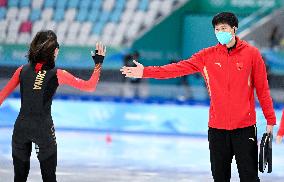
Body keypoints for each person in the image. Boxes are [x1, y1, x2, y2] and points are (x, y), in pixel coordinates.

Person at [120, 12, 276, 182]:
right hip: (217, 129)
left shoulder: (252, 54)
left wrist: (270, 120)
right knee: (220, 178)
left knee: (250, 178)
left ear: (234, 29)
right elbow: (177, 69)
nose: (220, 32)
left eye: (223, 28)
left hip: (244, 128)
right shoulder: (206, 56)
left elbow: (263, 89)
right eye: (217, 29)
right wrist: (146, 71)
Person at [0, 30, 106, 182]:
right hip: (43, 129)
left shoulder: (21, 71)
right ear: (55, 51)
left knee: (19, 178)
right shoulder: (58, 74)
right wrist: (98, 64)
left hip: (21, 129)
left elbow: (1, 97)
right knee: (49, 178)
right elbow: (89, 86)